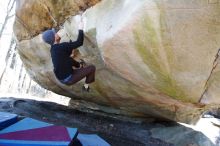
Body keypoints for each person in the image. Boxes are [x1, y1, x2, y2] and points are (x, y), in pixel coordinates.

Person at [42, 18, 96, 92]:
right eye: (55, 34)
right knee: (92, 68)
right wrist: (81, 28)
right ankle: (86, 87)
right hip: (69, 79)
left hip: (61, 77)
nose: (57, 33)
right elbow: (79, 42)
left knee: (68, 58)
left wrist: (78, 65)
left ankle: (79, 66)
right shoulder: (62, 47)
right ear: (55, 37)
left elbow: (67, 57)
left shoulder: (53, 50)